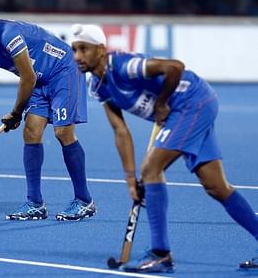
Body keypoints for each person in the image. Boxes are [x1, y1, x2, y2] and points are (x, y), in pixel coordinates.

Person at [70, 24, 258, 272]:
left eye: (84, 49)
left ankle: (161, 253)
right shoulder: (97, 85)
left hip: (192, 102)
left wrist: (161, 103)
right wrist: (129, 178)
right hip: (187, 111)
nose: (77, 56)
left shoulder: (124, 66)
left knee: (151, 169)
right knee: (216, 186)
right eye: (74, 49)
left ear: (101, 50)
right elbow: (120, 131)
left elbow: (175, 67)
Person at [0, 0, 95, 221]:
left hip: (64, 71)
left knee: (62, 132)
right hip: (39, 81)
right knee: (31, 132)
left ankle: (84, 200)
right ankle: (35, 203)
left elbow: (27, 76)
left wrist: (16, 113)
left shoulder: (9, 34)